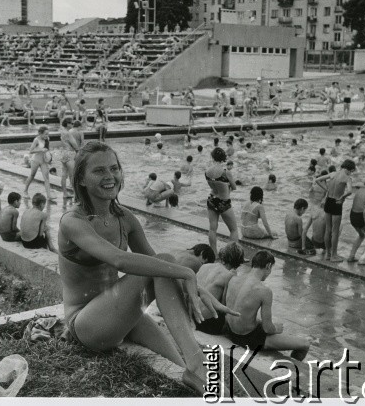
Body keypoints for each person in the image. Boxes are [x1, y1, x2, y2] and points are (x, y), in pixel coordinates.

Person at [58, 141, 238, 395]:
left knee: (179, 363)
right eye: (99, 171)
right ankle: (198, 364)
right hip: (85, 325)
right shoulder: (72, 221)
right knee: (167, 264)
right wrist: (187, 273)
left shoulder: (124, 218)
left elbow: (158, 266)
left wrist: (198, 290)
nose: (110, 176)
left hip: (118, 315)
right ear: (82, 180)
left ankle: (195, 366)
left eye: (114, 168)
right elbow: (120, 260)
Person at [225, 250, 310, 360]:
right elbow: (267, 329)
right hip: (248, 339)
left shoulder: (234, 278)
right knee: (304, 344)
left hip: (229, 330)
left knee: (258, 321)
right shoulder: (264, 291)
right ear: (268, 266)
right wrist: (276, 329)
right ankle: (292, 370)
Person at [195, 242, 244, 335]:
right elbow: (225, 304)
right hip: (206, 322)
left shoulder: (205, 266)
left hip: (192, 313)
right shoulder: (229, 276)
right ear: (239, 263)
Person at [315, 160, 356, 262]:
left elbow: (318, 180)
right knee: (335, 231)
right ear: (349, 169)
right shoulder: (347, 178)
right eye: (351, 171)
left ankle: (328, 254)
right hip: (337, 203)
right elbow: (350, 191)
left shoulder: (333, 174)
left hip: (328, 201)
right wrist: (343, 197)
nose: (351, 173)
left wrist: (326, 189)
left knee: (328, 229)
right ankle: (334, 255)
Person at [205, 147, 239, 255]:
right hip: (224, 202)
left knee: (212, 229)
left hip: (212, 199)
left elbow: (212, 186)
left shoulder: (207, 171)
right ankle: (230, 255)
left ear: (213, 157)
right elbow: (234, 187)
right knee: (233, 230)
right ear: (223, 157)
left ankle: (214, 254)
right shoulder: (226, 172)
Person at [23, 126, 56, 201]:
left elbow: (47, 150)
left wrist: (50, 159)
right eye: (45, 134)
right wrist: (40, 150)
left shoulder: (47, 139)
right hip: (35, 160)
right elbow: (30, 151)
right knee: (32, 175)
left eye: (48, 134)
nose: (47, 136)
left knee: (47, 178)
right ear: (40, 133)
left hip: (43, 160)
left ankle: (49, 195)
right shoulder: (36, 140)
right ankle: (25, 191)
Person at [59, 118, 80, 202]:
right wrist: (78, 151)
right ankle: (76, 195)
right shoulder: (68, 133)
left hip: (63, 153)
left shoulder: (62, 131)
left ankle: (65, 193)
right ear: (67, 124)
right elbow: (74, 145)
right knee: (73, 175)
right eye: (71, 123)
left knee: (64, 175)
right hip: (70, 153)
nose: (72, 125)